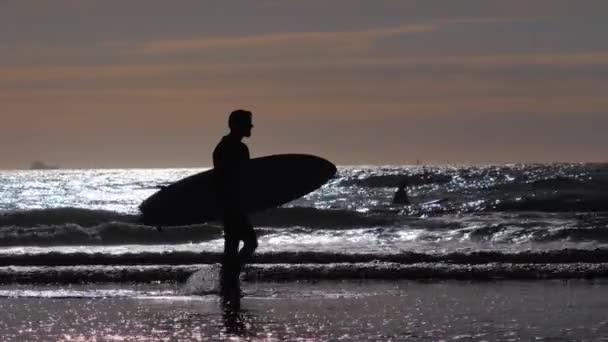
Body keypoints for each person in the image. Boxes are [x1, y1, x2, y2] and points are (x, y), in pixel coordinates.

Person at [213, 109, 258, 305]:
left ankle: (228, 281)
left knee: (232, 246)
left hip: (232, 205)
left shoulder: (229, 147)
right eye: (248, 123)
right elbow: (229, 179)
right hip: (232, 206)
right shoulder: (231, 148)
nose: (251, 126)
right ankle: (229, 279)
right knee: (249, 243)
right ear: (236, 125)